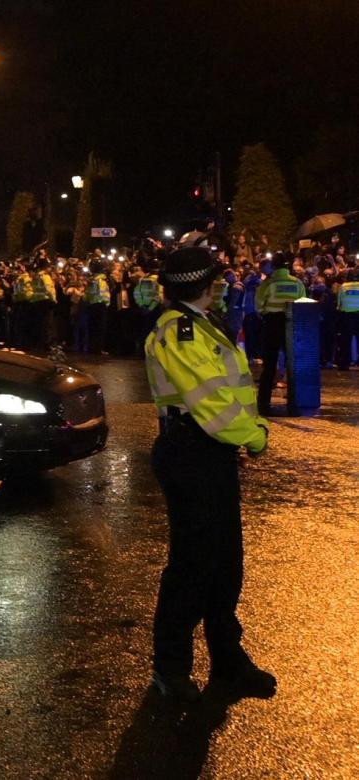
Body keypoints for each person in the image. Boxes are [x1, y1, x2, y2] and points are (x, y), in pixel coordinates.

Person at [143, 247, 276, 703]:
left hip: (209, 450)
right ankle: (170, 668)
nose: (222, 284)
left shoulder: (200, 324)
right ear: (203, 283)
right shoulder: (180, 332)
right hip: (192, 451)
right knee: (193, 566)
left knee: (225, 564)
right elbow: (211, 402)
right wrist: (253, 436)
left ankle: (227, 660)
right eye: (216, 278)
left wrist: (234, 439)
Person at [254, 253, 306, 415]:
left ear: (274, 266)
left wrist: (266, 314)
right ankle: (296, 400)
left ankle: (263, 403)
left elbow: (259, 305)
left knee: (269, 365)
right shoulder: (297, 283)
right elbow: (303, 303)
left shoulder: (268, 283)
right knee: (293, 363)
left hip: (271, 324)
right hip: (292, 324)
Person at [84, 261, 111, 354]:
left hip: (91, 305)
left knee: (92, 327)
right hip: (100, 306)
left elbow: (87, 293)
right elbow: (103, 295)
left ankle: (92, 347)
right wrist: (106, 303)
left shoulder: (92, 280)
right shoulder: (101, 281)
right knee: (100, 328)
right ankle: (98, 348)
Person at [335, 268, 359, 369]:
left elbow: (339, 304)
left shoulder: (343, 287)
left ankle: (345, 364)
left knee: (345, 341)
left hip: (346, 316)